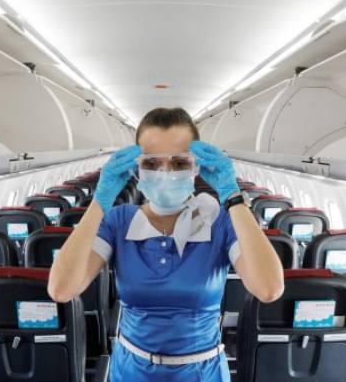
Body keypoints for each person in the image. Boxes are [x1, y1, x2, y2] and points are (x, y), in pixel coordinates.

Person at [48, 107, 284, 382]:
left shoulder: (218, 222)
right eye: (152, 163)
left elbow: (268, 288)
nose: (166, 172)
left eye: (179, 163)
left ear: (196, 167)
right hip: (131, 371)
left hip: (202, 373)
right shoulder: (118, 221)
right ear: (137, 168)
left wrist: (232, 196)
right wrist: (100, 200)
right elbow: (62, 289)